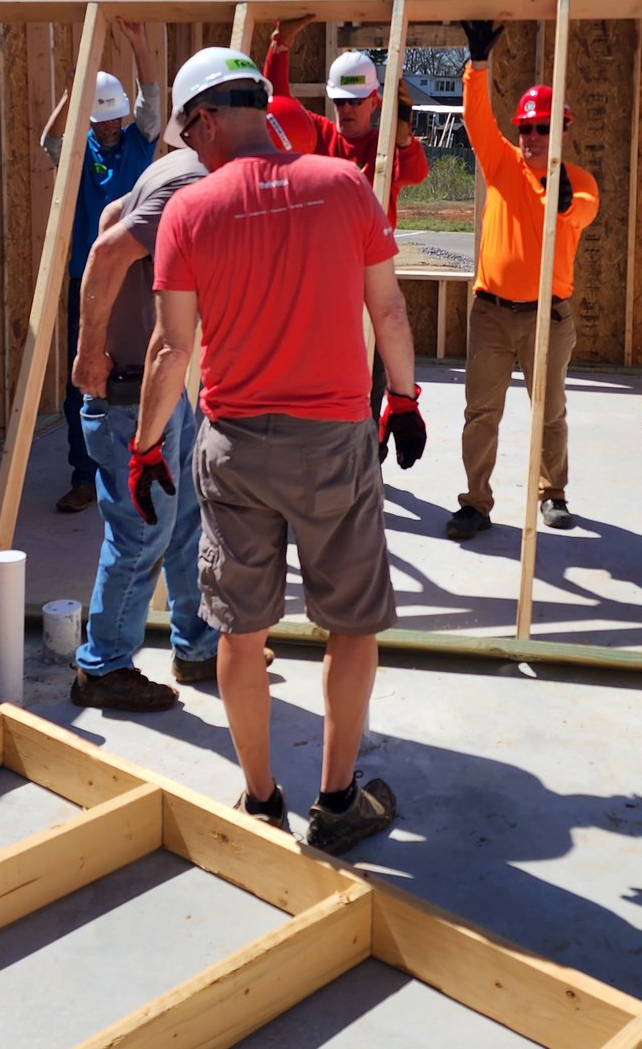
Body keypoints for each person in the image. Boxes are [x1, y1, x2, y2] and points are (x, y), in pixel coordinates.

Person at [130, 46, 426, 855]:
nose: (193, 152)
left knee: (241, 631)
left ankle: (261, 802)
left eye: (191, 137)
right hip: (334, 442)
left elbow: (169, 350)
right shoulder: (343, 187)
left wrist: (146, 446)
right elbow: (390, 312)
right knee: (351, 625)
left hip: (234, 449)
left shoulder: (191, 211)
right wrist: (402, 397)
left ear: (204, 120)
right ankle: (336, 802)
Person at [66, 149, 217, 711]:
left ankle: (197, 647)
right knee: (141, 531)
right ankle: (101, 667)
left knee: (181, 520)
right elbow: (106, 250)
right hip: (130, 395)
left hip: (157, 388)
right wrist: (88, 354)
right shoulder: (191, 184)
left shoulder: (175, 169)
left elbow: (112, 217)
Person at [446, 20, 600, 542]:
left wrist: (559, 199)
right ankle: (476, 501)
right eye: (527, 128)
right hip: (490, 312)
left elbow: (581, 213)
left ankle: (551, 493)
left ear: (561, 130)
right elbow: (475, 118)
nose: (532, 137)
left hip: (545, 316)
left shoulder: (578, 183)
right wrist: (477, 66)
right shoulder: (502, 163)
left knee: (549, 410)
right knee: (481, 411)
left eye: (543, 129)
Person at [263, 18, 429, 416]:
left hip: (369, 284)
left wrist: (404, 135)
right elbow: (277, 107)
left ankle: (367, 464)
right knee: (314, 388)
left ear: (375, 101)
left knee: (366, 390)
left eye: (356, 101)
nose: (347, 109)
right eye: (341, 101)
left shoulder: (386, 148)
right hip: (318, 283)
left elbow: (418, 172)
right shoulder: (317, 136)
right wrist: (279, 48)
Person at [41, 21, 159, 514]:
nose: (110, 128)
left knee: (145, 369)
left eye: (115, 120)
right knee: (84, 375)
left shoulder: (140, 138)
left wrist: (137, 42)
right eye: (101, 121)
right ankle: (84, 476)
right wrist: (71, 97)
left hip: (137, 278)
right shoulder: (79, 148)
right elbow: (50, 141)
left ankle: (143, 460)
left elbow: (152, 95)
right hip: (86, 278)